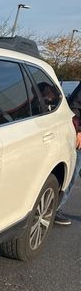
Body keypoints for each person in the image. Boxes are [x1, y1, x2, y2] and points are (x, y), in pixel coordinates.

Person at [55, 82, 81, 226]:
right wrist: (79, 131)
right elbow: (75, 107)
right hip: (79, 138)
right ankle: (54, 209)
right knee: (72, 174)